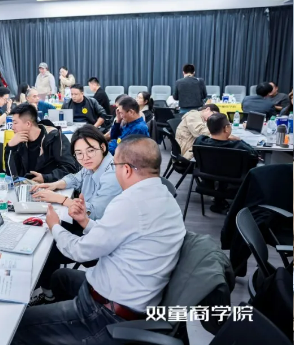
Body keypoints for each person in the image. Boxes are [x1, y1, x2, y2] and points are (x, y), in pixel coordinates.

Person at [12, 136, 186, 345]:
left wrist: (54, 225)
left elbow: (80, 251)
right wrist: (85, 221)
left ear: (127, 170)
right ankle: (61, 329)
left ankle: (70, 329)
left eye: (115, 165)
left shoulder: (130, 202)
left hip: (108, 313)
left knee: (16, 326)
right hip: (129, 292)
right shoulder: (162, 196)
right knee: (60, 278)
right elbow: (117, 234)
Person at [30, 125, 122, 305]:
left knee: (48, 246)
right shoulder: (93, 165)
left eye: (90, 150)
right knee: (45, 231)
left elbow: (93, 213)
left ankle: (48, 294)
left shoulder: (112, 174)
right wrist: (53, 185)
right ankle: (48, 289)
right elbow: (75, 178)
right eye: (79, 153)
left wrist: (59, 198)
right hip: (85, 224)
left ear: (103, 147)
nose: (85, 157)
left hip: (99, 236)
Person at [195, 113, 259, 213]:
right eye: (229, 124)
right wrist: (240, 140)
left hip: (209, 178)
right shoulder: (239, 146)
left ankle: (219, 200)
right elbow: (255, 156)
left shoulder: (200, 141)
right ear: (226, 128)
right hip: (235, 181)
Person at [5, 103, 78, 183]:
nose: (12, 127)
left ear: (28, 124)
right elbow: (11, 175)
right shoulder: (20, 141)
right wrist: (10, 147)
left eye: (15, 123)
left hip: (53, 186)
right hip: (27, 186)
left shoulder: (55, 138)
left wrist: (45, 178)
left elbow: (70, 168)